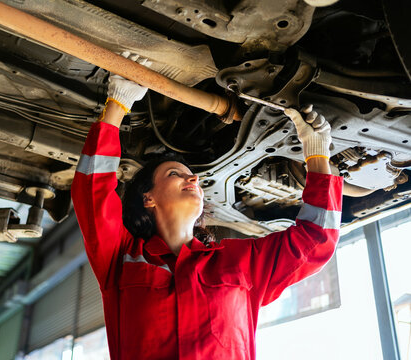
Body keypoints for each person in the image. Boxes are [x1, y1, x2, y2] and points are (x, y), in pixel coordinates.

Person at [71, 74, 343, 360]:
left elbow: (316, 240)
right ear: (147, 198)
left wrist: (317, 154)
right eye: (174, 174)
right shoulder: (122, 259)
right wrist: (117, 104)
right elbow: (92, 195)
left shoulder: (243, 262)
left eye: (193, 177)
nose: (194, 178)